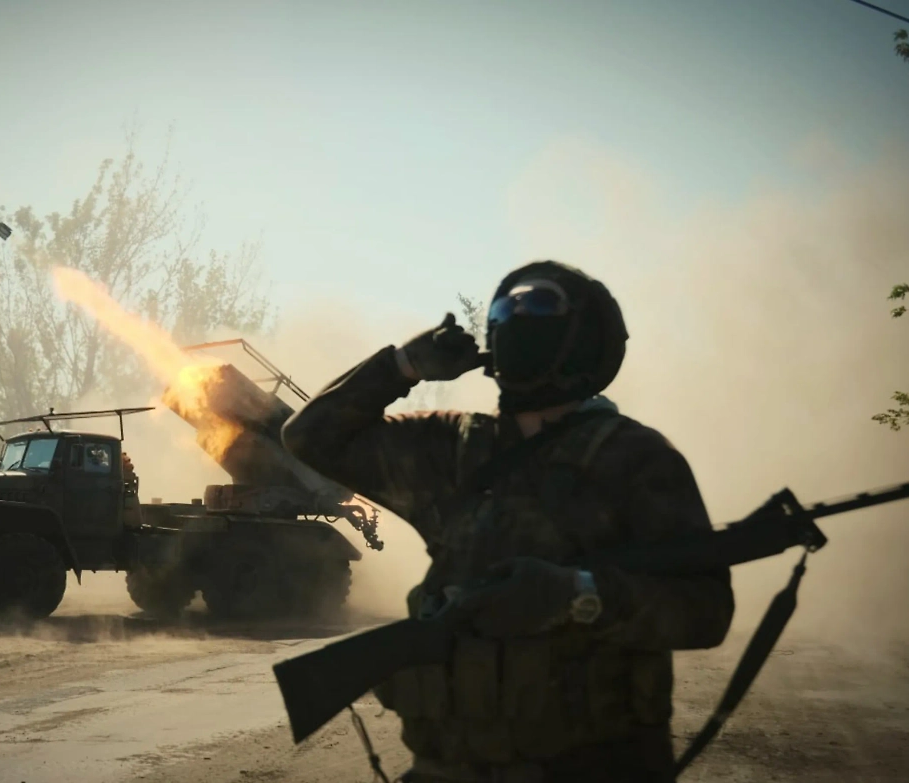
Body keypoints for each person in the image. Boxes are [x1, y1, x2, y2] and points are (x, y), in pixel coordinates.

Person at [281, 260, 735, 783]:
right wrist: (403, 366)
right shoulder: (452, 449)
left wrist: (579, 596)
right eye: (506, 309)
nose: (517, 317)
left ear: (584, 339)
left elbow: (706, 611)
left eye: (539, 306)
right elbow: (310, 437)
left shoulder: (636, 461)